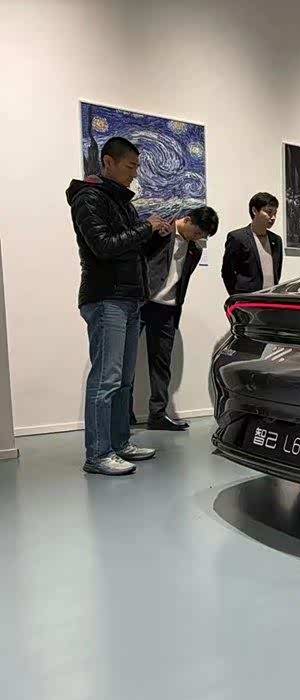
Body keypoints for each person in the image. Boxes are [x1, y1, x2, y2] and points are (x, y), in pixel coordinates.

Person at [67, 136, 171, 476]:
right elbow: (103, 246)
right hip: (105, 298)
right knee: (106, 380)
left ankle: (119, 443)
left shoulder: (123, 202)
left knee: (124, 380)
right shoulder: (88, 198)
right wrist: (144, 228)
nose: (135, 173)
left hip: (129, 299)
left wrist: (155, 235)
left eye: (137, 167)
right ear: (108, 162)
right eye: (131, 166)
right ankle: (98, 454)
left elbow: (133, 252)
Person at [139, 206, 219, 431]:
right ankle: (123, 415)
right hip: (141, 302)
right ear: (188, 219)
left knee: (161, 364)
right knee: (126, 360)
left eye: (203, 236)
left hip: (168, 309)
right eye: (198, 232)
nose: (199, 237)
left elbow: (181, 279)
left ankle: (157, 415)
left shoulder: (195, 250)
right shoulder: (160, 232)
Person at [222, 192, 283, 295]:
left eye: (275, 213)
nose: (273, 217)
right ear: (254, 211)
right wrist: (237, 297)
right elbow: (227, 272)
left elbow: (277, 272)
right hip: (247, 299)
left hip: (271, 298)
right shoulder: (238, 238)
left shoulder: (276, 240)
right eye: (269, 212)